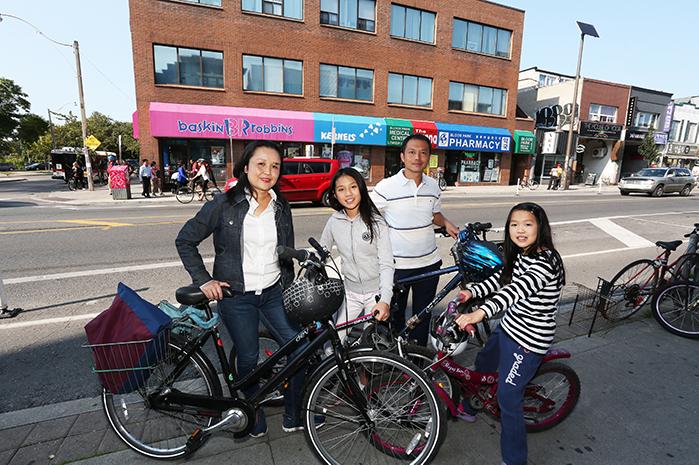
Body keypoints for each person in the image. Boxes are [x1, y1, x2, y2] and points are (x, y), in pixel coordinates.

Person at [176, 140, 308, 438]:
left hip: (274, 292)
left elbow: (282, 249)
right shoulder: (223, 204)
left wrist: (299, 258)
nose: (268, 171)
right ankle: (253, 413)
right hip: (237, 297)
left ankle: (293, 414)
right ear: (246, 167)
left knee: (299, 349)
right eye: (261, 164)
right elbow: (185, 240)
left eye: (275, 166)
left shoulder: (281, 205)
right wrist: (204, 280)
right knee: (248, 358)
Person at [454, 202, 565, 465]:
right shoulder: (520, 254)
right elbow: (502, 281)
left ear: (541, 227)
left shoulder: (545, 262)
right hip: (509, 325)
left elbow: (514, 291)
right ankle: (471, 406)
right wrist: (472, 292)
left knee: (508, 398)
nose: (520, 230)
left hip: (529, 339)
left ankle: (515, 460)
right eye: (514, 225)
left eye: (528, 224)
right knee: (482, 364)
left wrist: (479, 313)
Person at [370, 134, 459, 346]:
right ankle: (394, 360)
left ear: (429, 157)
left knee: (422, 316)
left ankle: (418, 363)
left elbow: (434, 214)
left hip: (429, 265)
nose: (417, 157)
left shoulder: (433, 186)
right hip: (397, 267)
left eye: (423, 152)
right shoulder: (386, 187)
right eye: (411, 152)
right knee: (393, 317)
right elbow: (371, 218)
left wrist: (446, 223)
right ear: (402, 157)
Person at [320, 168, 393, 343]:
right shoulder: (334, 221)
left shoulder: (376, 223)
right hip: (350, 294)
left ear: (361, 188)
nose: (348, 193)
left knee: (370, 346)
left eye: (353, 187)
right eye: (341, 189)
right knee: (336, 341)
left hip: (375, 294)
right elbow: (322, 250)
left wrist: (385, 300)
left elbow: (387, 264)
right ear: (335, 195)